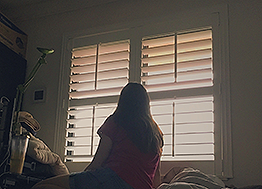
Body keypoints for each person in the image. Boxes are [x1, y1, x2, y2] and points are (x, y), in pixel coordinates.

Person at [32, 82, 164, 189]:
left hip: (111, 179)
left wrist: (82, 178)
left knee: (41, 185)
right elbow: (156, 178)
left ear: (122, 101)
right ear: (146, 105)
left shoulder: (116, 120)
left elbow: (97, 163)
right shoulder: (156, 133)